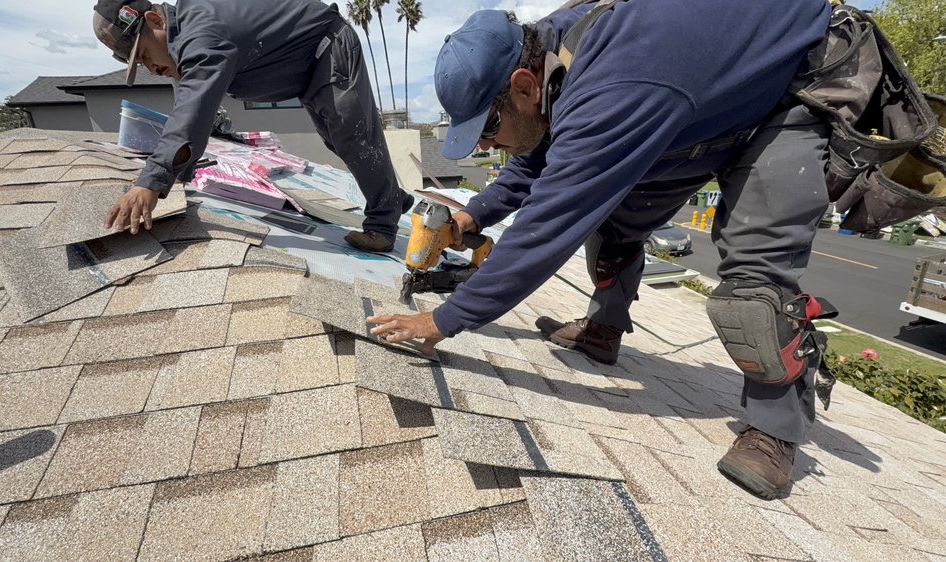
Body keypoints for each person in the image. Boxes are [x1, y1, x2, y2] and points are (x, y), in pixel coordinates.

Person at [369, 0, 839, 499]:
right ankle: (603, 331)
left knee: (755, 285)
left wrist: (443, 320)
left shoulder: (616, 85)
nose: (487, 148)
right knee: (613, 223)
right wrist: (472, 215)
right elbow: (540, 156)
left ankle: (774, 431)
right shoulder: (550, 51)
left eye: (487, 130)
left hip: (791, 88)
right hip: (698, 107)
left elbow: (549, 224)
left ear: (522, 87)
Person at [92, 0, 413, 252]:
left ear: (155, 20)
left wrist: (150, 182)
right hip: (306, 66)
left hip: (327, 48)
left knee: (353, 137)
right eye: (141, 64)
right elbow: (189, 101)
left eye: (145, 54)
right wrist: (182, 162)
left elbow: (192, 112)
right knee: (337, 139)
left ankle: (383, 226)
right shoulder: (187, 33)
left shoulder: (201, 32)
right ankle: (388, 196)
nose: (151, 68)